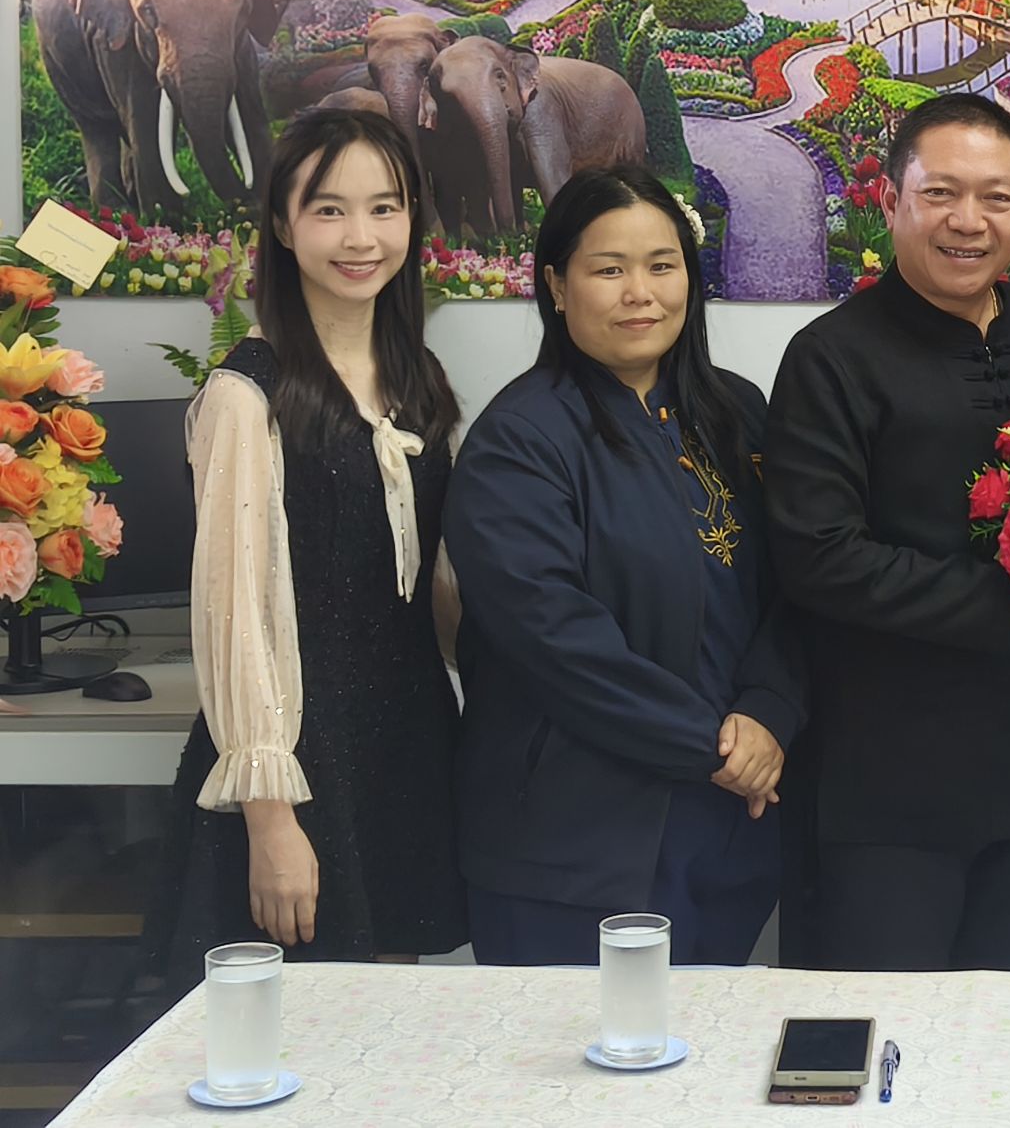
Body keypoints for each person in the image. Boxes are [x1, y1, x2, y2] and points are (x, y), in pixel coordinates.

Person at [765, 93, 1010, 971]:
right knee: (884, 1030)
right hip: (890, 781)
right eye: (941, 192)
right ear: (891, 201)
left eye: (996, 197)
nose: (968, 221)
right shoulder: (831, 356)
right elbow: (819, 557)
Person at [446, 165, 801, 965]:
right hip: (574, 849)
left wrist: (772, 709)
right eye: (609, 269)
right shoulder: (519, 440)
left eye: (662, 265)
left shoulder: (738, 411)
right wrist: (720, 748)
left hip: (726, 827)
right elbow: (558, 641)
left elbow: (796, 586)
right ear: (556, 285)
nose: (640, 293)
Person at [152, 108, 466, 981]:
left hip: (404, 738)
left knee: (386, 1014)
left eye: (384, 207)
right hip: (297, 756)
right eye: (329, 209)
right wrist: (270, 816)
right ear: (284, 227)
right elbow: (234, 613)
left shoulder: (417, 380)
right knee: (295, 1029)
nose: (361, 236)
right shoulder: (246, 395)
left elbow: (431, 587)